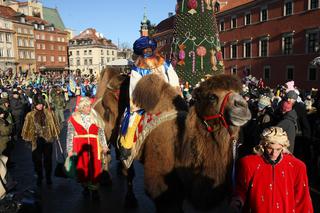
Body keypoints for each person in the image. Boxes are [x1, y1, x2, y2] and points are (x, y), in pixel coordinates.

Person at [119, 36, 181, 159]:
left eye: (148, 49)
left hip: (166, 96)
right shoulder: (140, 67)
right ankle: (127, 145)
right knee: (134, 117)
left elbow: (173, 78)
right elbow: (135, 86)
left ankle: (126, 145)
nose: (147, 51)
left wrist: (175, 93)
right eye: (145, 49)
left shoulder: (164, 63)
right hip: (150, 99)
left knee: (132, 115)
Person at [232, 127, 314, 213]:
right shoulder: (249, 163)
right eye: (270, 148)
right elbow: (241, 188)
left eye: (278, 149)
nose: (274, 153)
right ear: (263, 145)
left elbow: (302, 198)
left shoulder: (297, 167)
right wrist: (238, 199)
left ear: (283, 147)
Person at [66, 97, 108, 198]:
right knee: (83, 168)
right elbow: (70, 134)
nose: (89, 108)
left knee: (95, 167)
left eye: (89, 106)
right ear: (82, 107)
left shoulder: (95, 116)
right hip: (80, 147)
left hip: (94, 146)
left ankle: (94, 190)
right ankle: (85, 186)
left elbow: (101, 132)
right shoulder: (74, 118)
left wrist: (105, 145)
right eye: (87, 106)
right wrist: (69, 150)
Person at [21, 95, 60, 186]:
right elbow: (26, 128)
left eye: (41, 104)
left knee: (48, 160)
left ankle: (48, 177)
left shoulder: (49, 113)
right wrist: (28, 139)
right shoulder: (30, 115)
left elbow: (55, 124)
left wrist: (56, 133)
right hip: (36, 141)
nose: (40, 106)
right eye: (38, 104)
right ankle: (39, 176)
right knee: (37, 161)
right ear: (34, 105)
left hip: (48, 140)